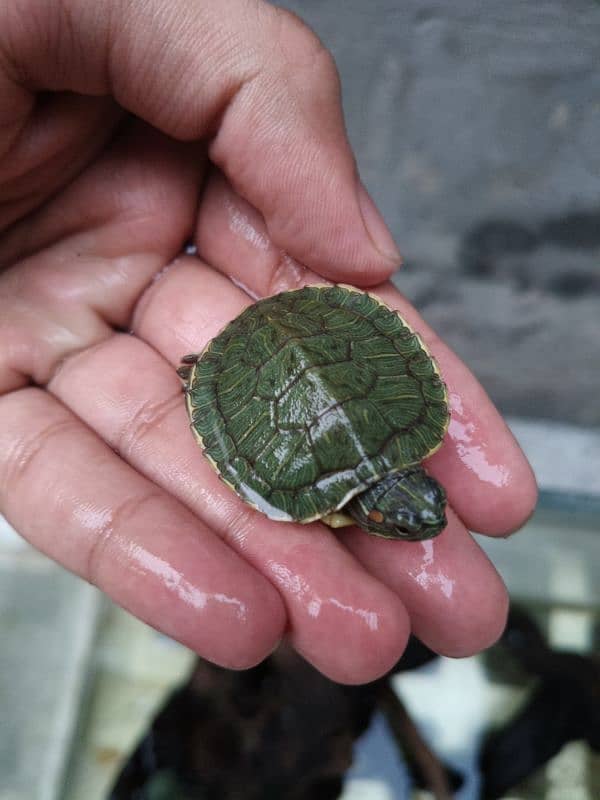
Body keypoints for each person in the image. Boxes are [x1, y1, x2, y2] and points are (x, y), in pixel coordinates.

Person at [0, 0, 536, 684]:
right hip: (287, 339)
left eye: (414, 517)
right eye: (411, 518)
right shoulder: (396, 440)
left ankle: (205, 375)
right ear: (374, 516)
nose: (425, 522)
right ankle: (207, 375)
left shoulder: (402, 436)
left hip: (285, 337)